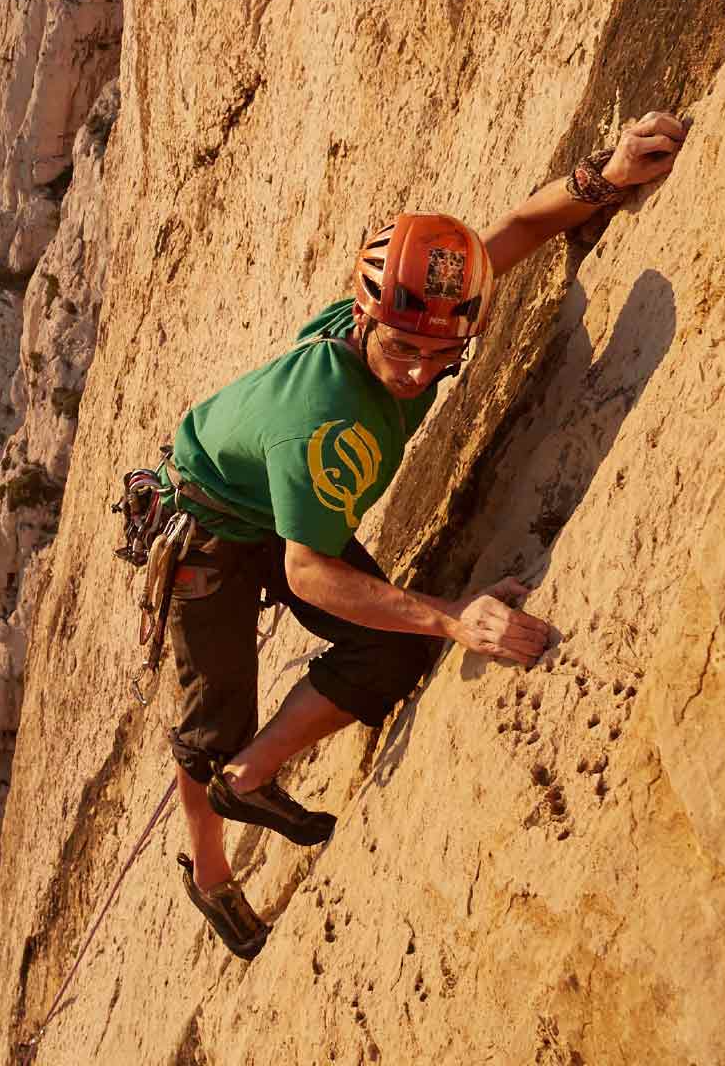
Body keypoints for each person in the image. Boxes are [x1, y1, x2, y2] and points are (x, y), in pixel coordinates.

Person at [158, 111, 691, 958]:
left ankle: (248, 781)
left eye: (440, 353)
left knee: (392, 650)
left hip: (279, 502)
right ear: (368, 319)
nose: (416, 370)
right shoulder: (326, 423)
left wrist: (608, 175)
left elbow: (509, 234)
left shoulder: (424, 301)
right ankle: (212, 871)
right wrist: (454, 616)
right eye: (403, 348)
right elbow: (309, 574)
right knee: (206, 729)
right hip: (214, 535)